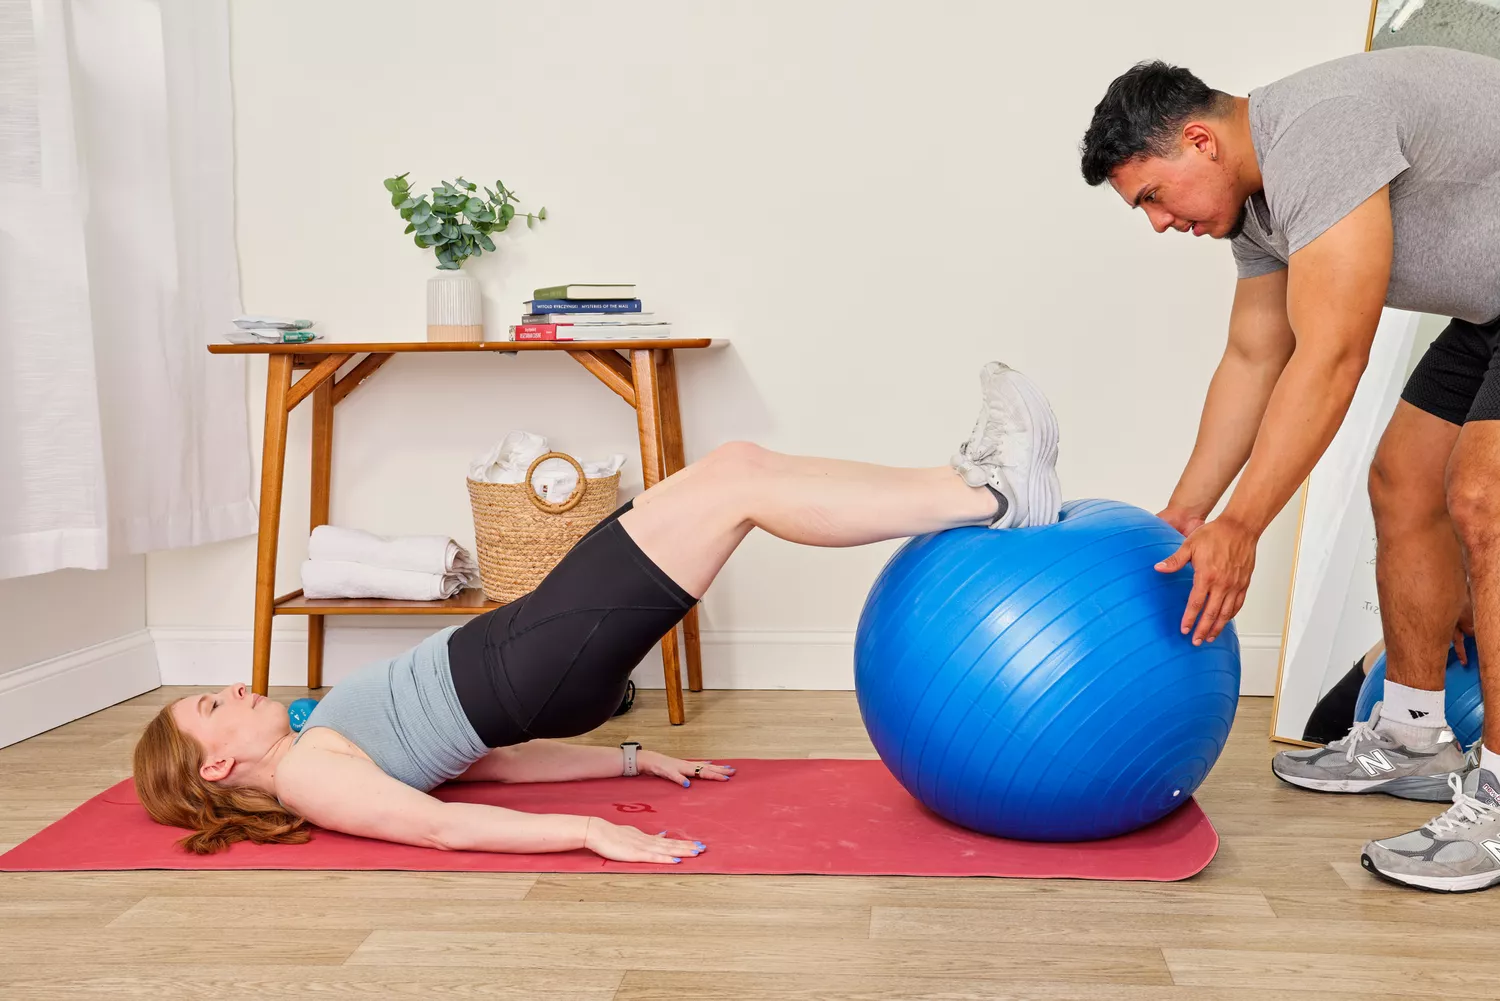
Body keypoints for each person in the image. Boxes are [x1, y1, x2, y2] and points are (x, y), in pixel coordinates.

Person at [133, 362, 1063, 863]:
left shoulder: (315, 741)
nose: (232, 686)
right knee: (735, 488)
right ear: (218, 764)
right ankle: (984, 493)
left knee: (734, 464)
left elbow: (483, 763)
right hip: (536, 657)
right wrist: (589, 830)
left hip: (531, 642)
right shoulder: (310, 782)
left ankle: (969, 479)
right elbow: (441, 825)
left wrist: (629, 757)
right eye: (213, 706)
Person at [1079, 46, 1500, 892]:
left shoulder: (1317, 129)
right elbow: (1254, 356)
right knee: (1403, 480)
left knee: (1483, 495)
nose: (1159, 223)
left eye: (1153, 197)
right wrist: (1189, 513)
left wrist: (1244, 526)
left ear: (1200, 141)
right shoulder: (1257, 201)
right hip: (1489, 308)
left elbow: (1334, 356)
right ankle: (1414, 729)